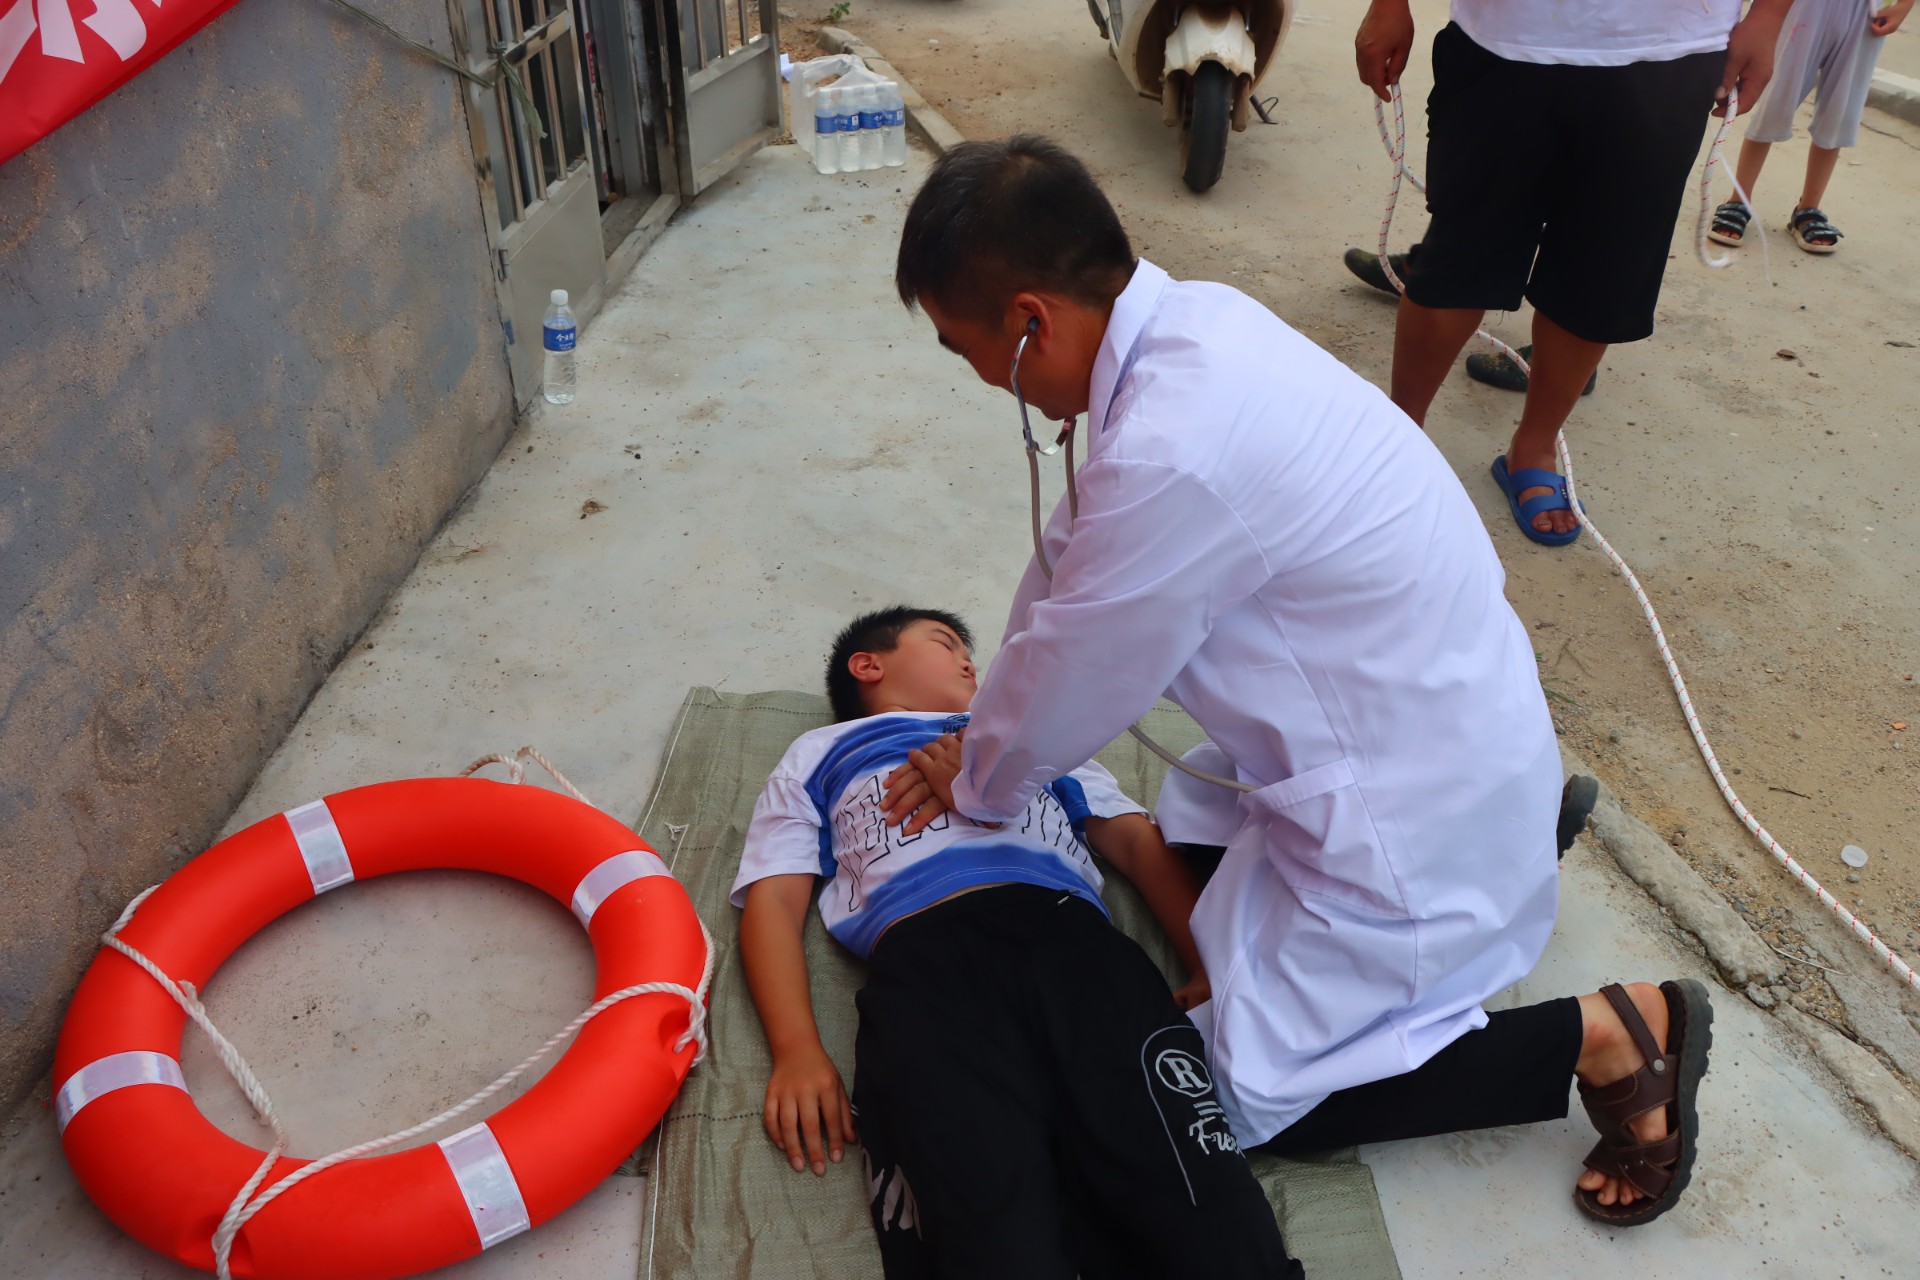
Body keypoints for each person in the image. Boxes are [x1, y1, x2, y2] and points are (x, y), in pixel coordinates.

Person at [882, 136, 1713, 1227]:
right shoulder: (1195, 327)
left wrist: (979, 781)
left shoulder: (1173, 448)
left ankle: (1613, 1033)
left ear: (1031, 319)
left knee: (1240, 1098)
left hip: (1413, 794)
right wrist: (990, 732)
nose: (988, 380)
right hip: (1436, 718)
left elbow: (1078, 663)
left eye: (970, 351)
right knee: (1190, 845)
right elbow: (1067, 582)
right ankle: (1495, 855)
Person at [732, 606, 1302, 1278]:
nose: (970, 661)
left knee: (1190, 1179)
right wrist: (797, 1049)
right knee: (980, 1212)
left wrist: (1209, 961)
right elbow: (775, 897)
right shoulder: (822, 751)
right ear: (868, 665)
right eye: (946, 642)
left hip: (1074, 949)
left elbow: (1135, 842)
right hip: (924, 970)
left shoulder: (1035, 734)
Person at [1346, 0, 1789, 545]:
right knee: (1460, 254)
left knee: (1603, 267)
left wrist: (1769, 16)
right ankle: (1400, 430)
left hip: (1671, 53)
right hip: (1503, 42)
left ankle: (1533, 446)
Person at [1709, 0, 1912, 254]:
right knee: (1777, 97)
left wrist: (1905, 5)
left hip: (1868, 11)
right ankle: (1739, 199)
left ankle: (1808, 208)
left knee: (1841, 108)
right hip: (1805, 7)